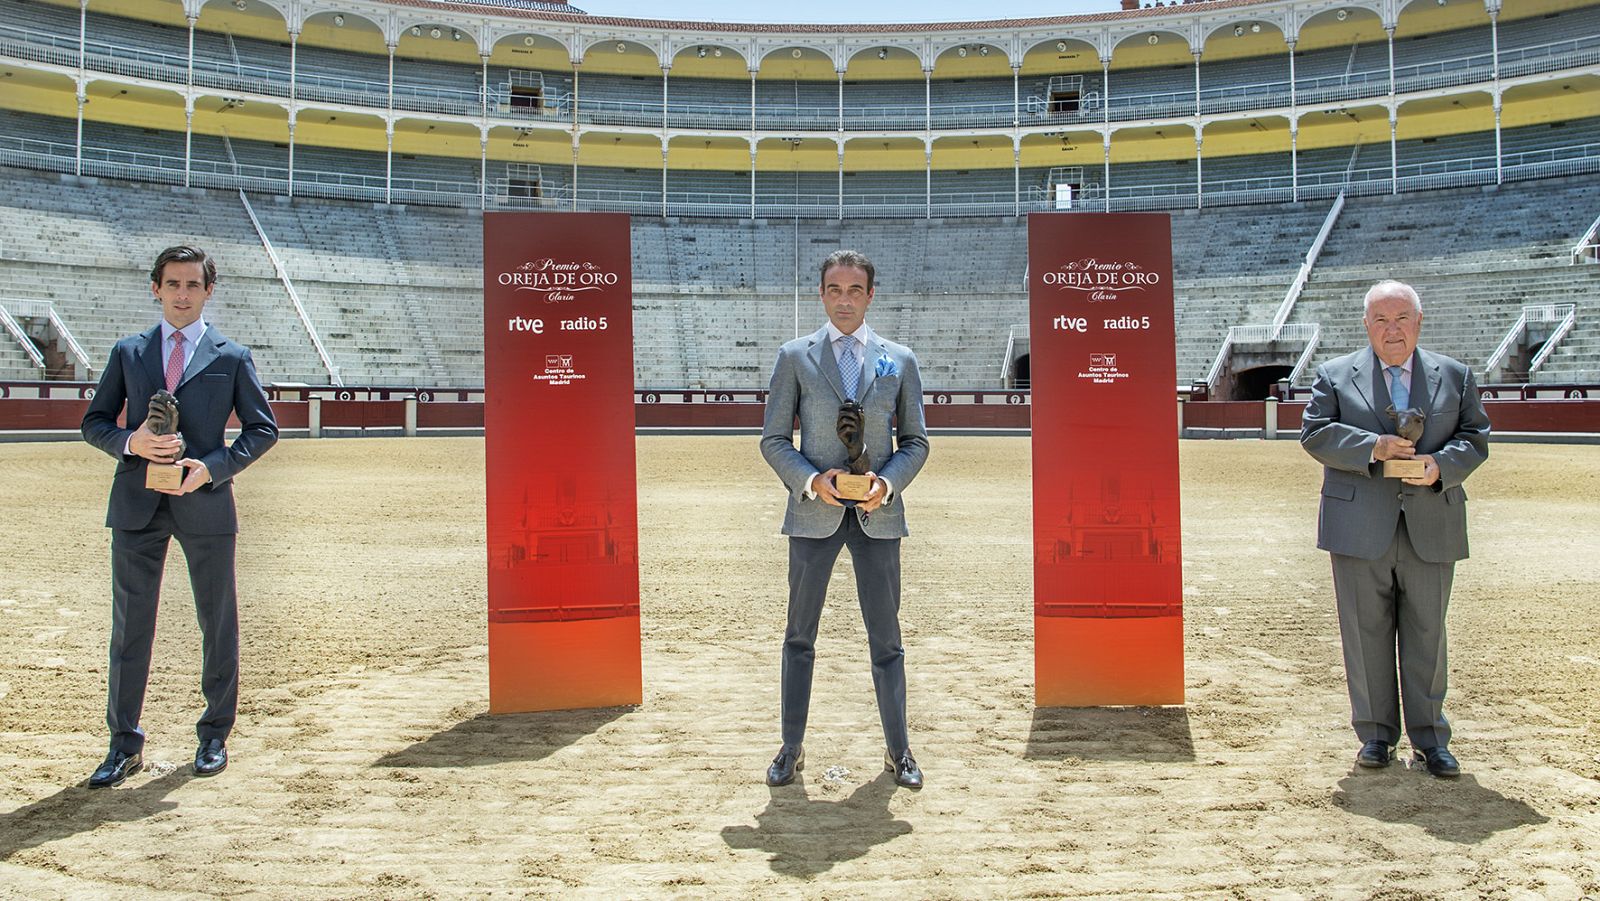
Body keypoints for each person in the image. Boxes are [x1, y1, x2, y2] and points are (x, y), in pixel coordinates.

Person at [80, 245, 279, 787]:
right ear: (156, 288)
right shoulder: (128, 351)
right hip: (137, 502)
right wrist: (132, 442)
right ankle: (123, 745)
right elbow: (95, 422)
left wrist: (211, 468)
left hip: (205, 501)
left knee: (217, 622)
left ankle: (214, 735)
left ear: (208, 291)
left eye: (193, 285)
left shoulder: (232, 356)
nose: (183, 294)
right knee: (130, 627)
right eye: (173, 284)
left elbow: (263, 429)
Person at [1300, 279, 1489, 778]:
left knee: (1429, 633)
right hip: (1359, 524)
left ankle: (1431, 739)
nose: (1392, 330)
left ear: (1419, 321)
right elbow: (1315, 434)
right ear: (1366, 325)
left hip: (1431, 519)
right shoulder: (1336, 375)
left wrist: (1440, 466)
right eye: (1380, 320)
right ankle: (1376, 736)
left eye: (1401, 318)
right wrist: (1374, 447)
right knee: (1365, 634)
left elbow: (1475, 436)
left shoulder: (1456, 375)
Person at [759, 249, 930, 790]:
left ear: (870, 296)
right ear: (821, 294)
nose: (845, 300)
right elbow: (773, 441)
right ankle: (791, 746)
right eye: (835, 289)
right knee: (799, 638)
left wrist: (887, 483)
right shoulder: (795, 356)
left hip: (879, 515)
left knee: (887, 640)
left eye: (855, 290)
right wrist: (814, 481)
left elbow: (917, 443)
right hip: (814, 515)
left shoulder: (899, 359)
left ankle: (898, 750)